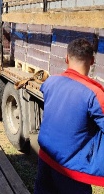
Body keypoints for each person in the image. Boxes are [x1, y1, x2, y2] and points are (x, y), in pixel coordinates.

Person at [35, 38, 104, 194]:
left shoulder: (50, 82)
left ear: (66, 58)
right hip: (72, 173)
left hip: (46, 159)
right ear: (92, 61)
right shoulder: (95, 95)